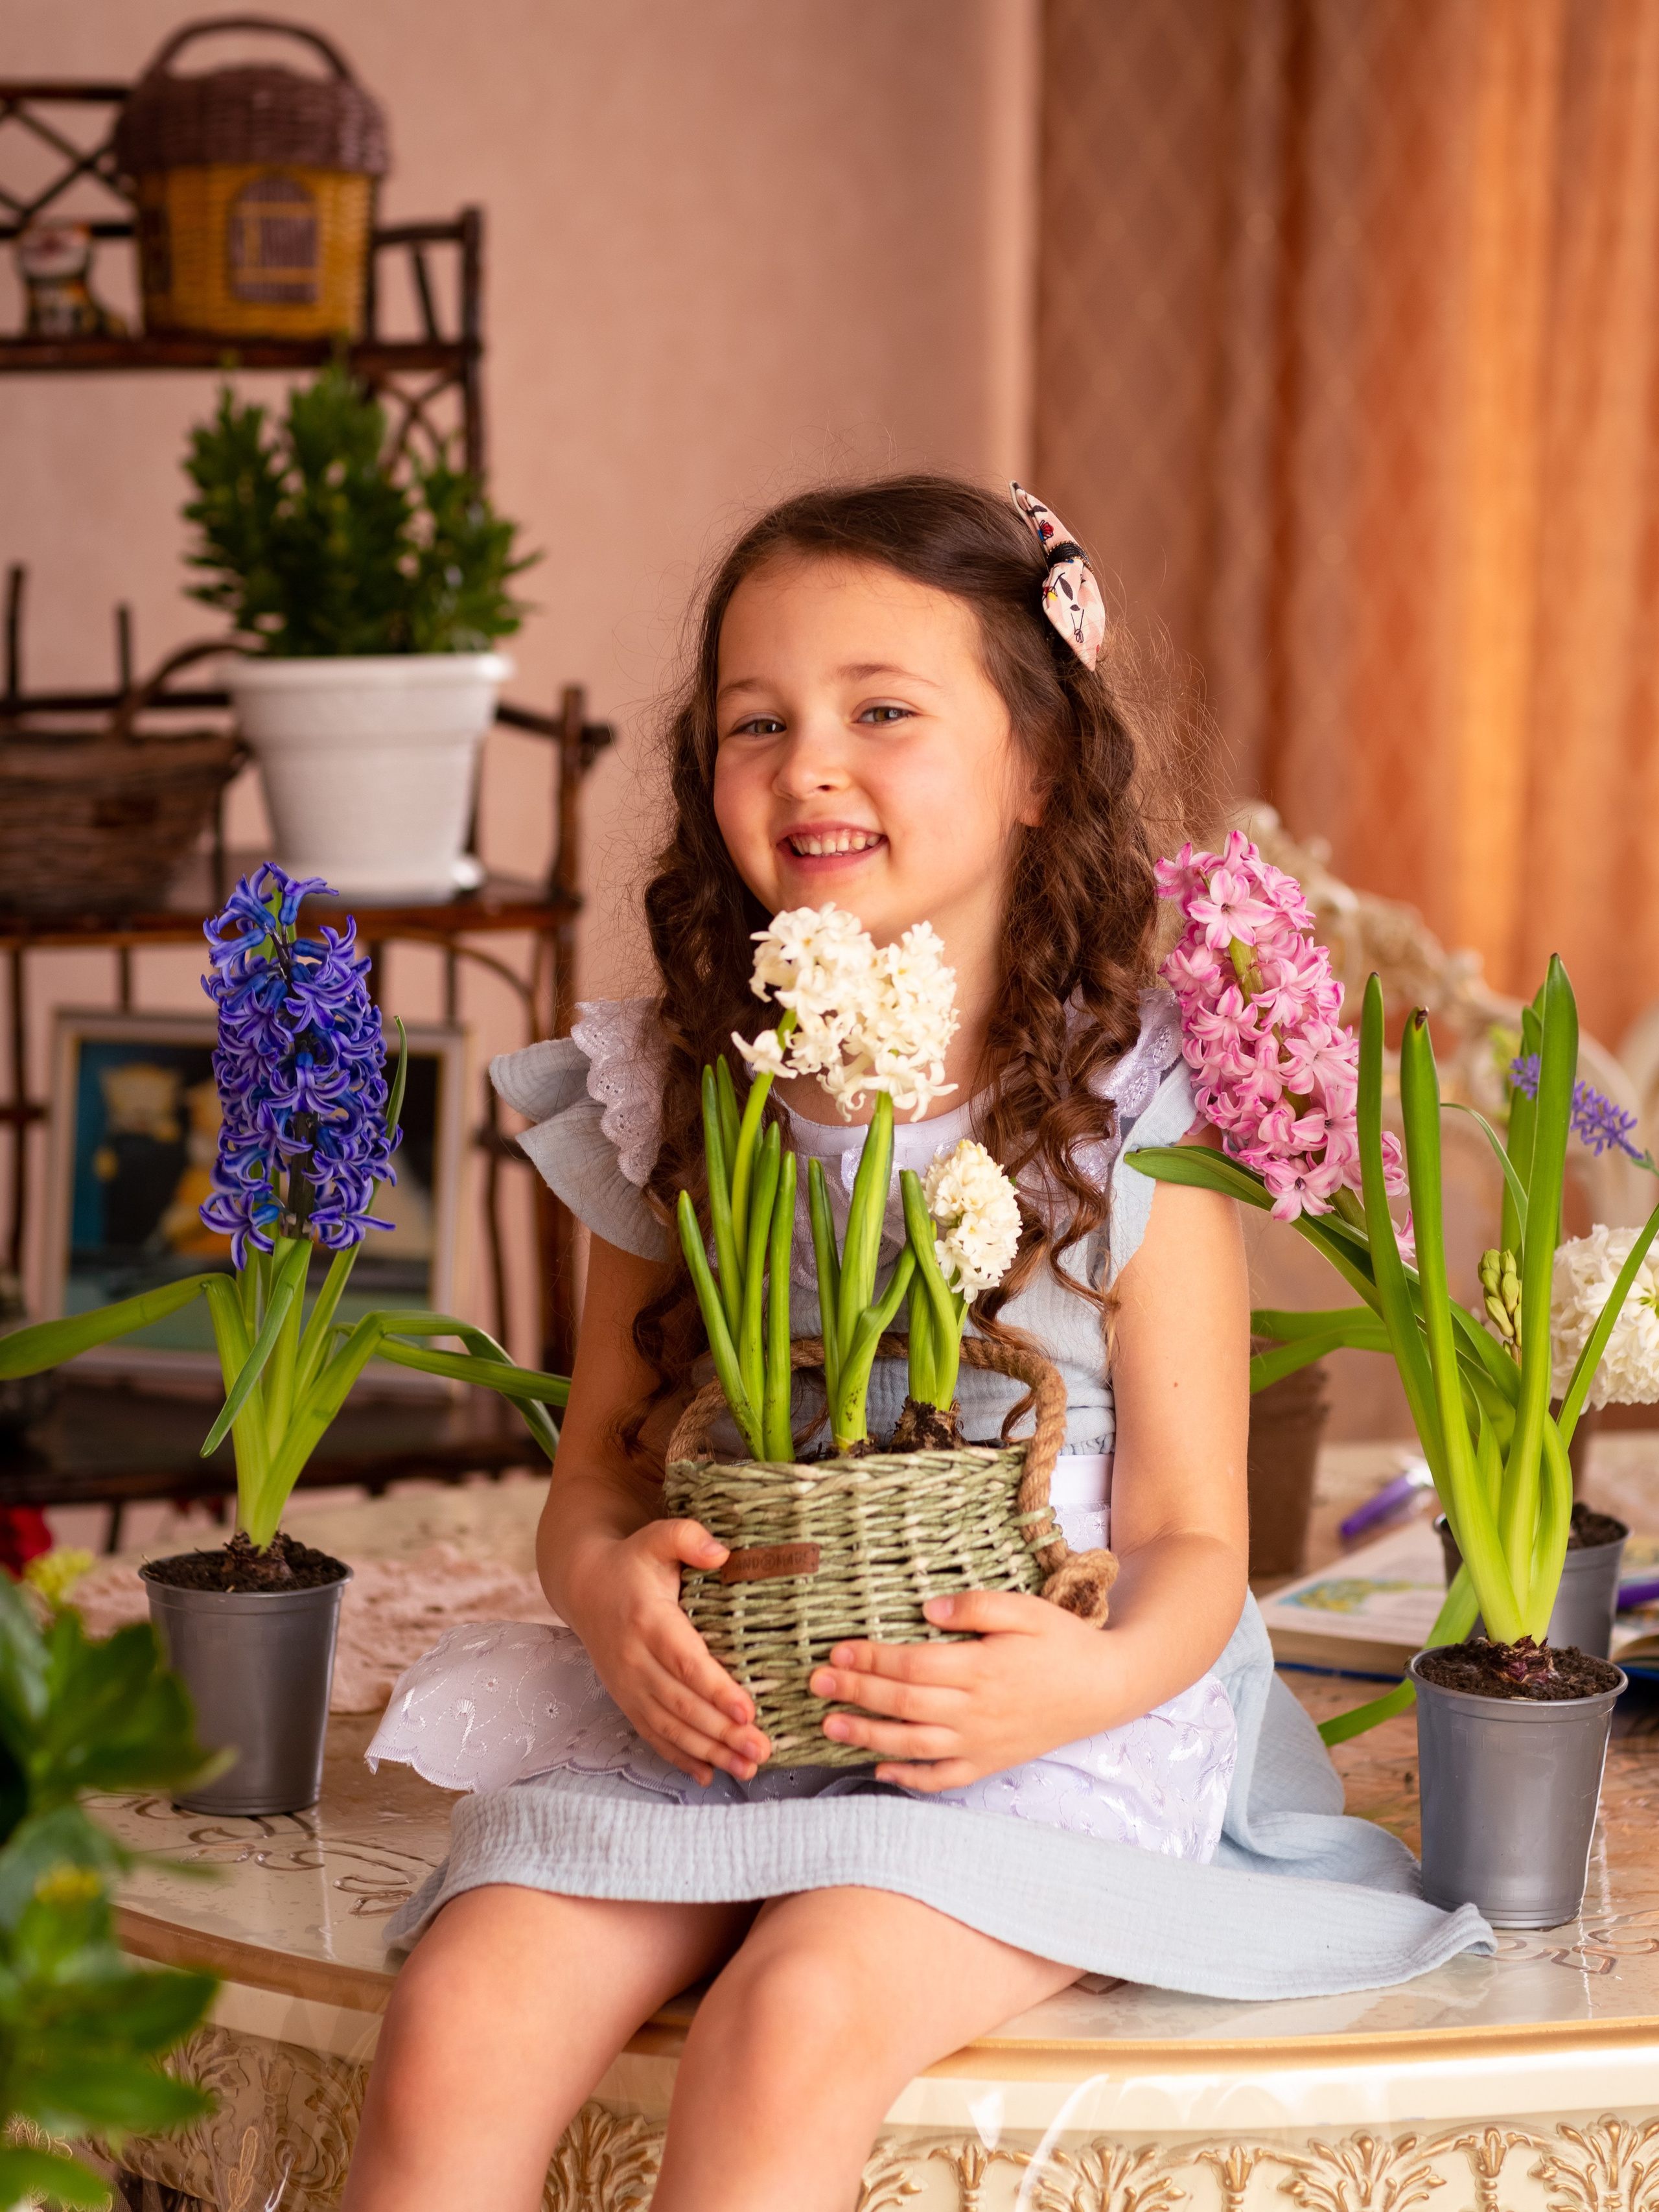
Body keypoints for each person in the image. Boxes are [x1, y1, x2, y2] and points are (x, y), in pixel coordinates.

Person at [344, 478, 1488, 2212]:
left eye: (882, 711)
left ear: (1038, 763)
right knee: (461, 2012)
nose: (810, 763)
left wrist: (1079, 1681)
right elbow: (591, 1474)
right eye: (756, 722)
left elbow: (1194, 1540)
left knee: (793, 2018)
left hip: (1027, 1732)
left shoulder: (1137, 1107)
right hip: (720, 1715)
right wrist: (605, 1596)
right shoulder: (679, 1083)